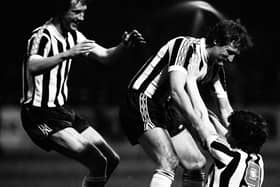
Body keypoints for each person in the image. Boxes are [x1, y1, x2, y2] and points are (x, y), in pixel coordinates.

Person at [20, 0, 145, 187]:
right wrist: (66, 54)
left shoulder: (74, 36)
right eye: (77, 12)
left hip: (62, 111)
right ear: (61, 11)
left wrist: (123, 46)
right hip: (38, 114)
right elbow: (33, 65)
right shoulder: (42, 35)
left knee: (111, 159)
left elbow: (105, 56)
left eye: (84, 12)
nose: (82, 17)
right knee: (98, 161)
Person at [119, 19, 253, 187]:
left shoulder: (216, 69)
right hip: (141, 99)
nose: (231, 59)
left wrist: (243, 140)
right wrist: (198, 125)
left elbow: (226, 109)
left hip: (164, 107)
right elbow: (177, 91)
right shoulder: (186, 46)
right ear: (217, 41)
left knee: (196, 165)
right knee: (168, 162)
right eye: (230, 52)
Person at [183, 57, 268, 187]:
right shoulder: (258, 162)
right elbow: (228, 129)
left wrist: (190, 79)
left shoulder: (228, 156)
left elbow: (202, 123)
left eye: (230, 130)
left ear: (237, 139)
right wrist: (217, 82)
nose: (226, 132)